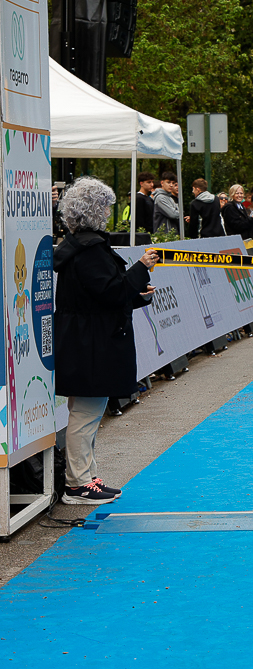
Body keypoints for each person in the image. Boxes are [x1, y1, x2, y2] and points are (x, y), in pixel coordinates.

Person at [54, 178, 158, 504]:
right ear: (96, 210)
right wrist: (141, 269)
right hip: (92, 342)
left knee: (86, 412)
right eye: (106, 207)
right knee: (86, 414)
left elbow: (103, 294)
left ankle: (85, 477)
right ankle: (78, 484)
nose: (110, 212)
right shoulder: (91, 249)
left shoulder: (78, 245)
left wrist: (137, 293)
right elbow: (112, 292)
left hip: (84, 337)